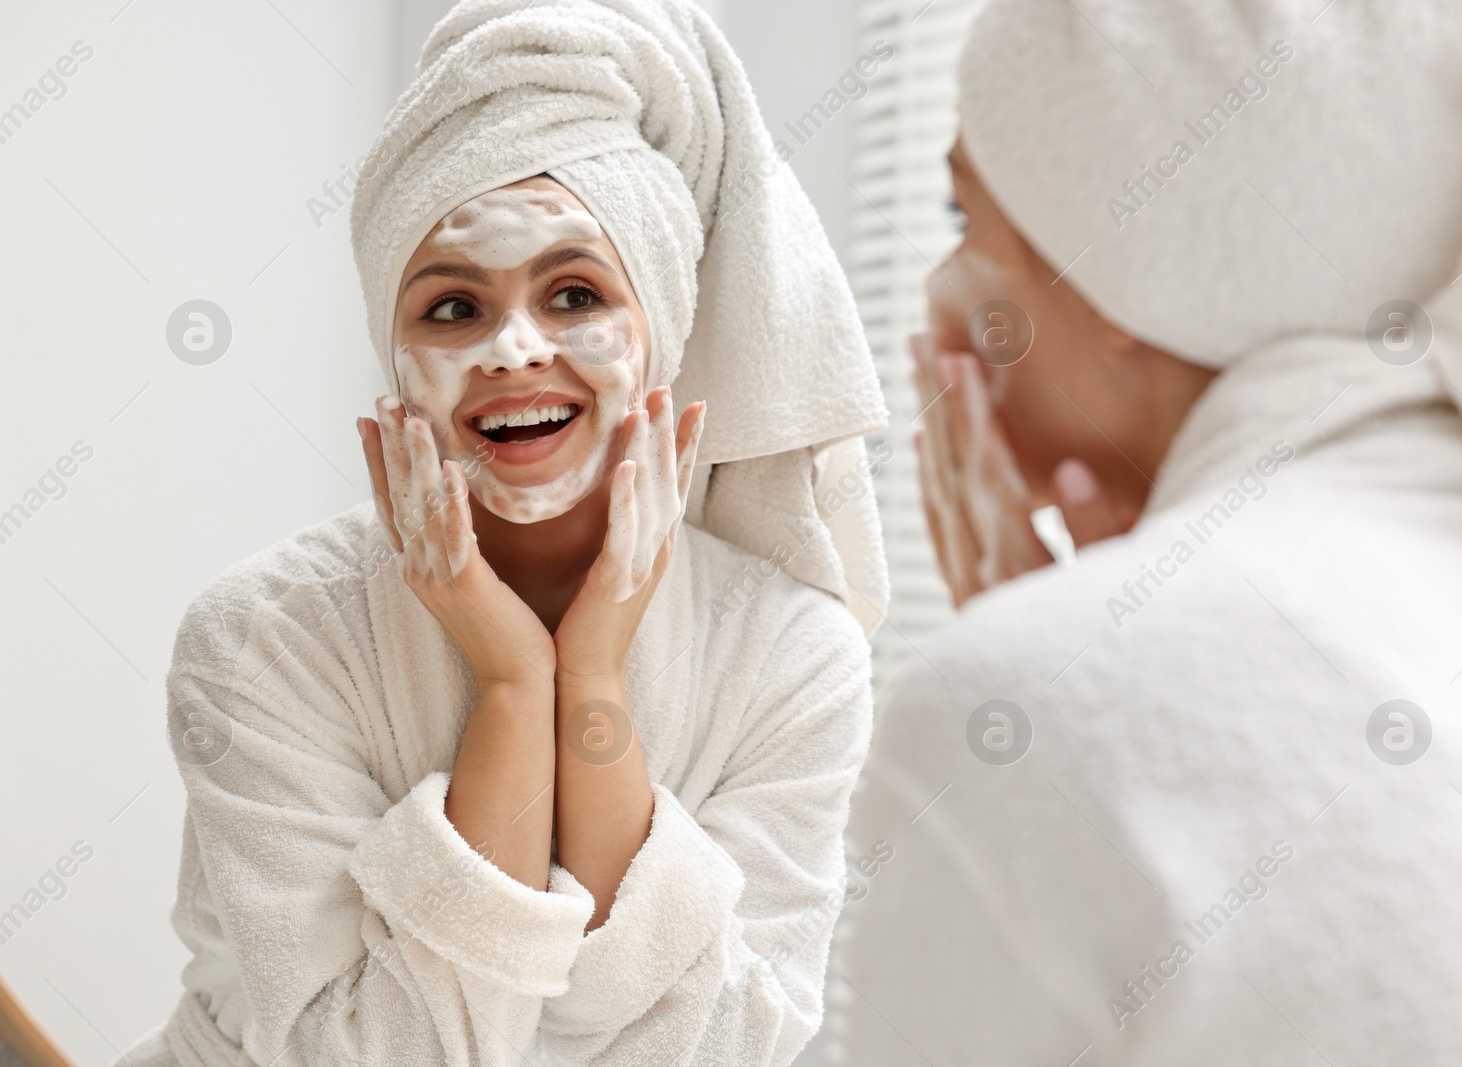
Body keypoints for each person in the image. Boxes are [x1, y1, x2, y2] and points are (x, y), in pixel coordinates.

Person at [828, 0, 1462, 1063]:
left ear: (1122, 274)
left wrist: (1036, 679)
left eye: (968, 225)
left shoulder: (1038, 706)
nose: (935, 302)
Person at [120, 0, 890, 1063]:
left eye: (575, 293)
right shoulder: (262, 638)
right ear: (394, 364)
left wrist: (595, 676)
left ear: (659, 337)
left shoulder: (792, 656)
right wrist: (515, 679)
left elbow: (720, 1046)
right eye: (451, 309)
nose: (513, 349)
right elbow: (372, 1052)